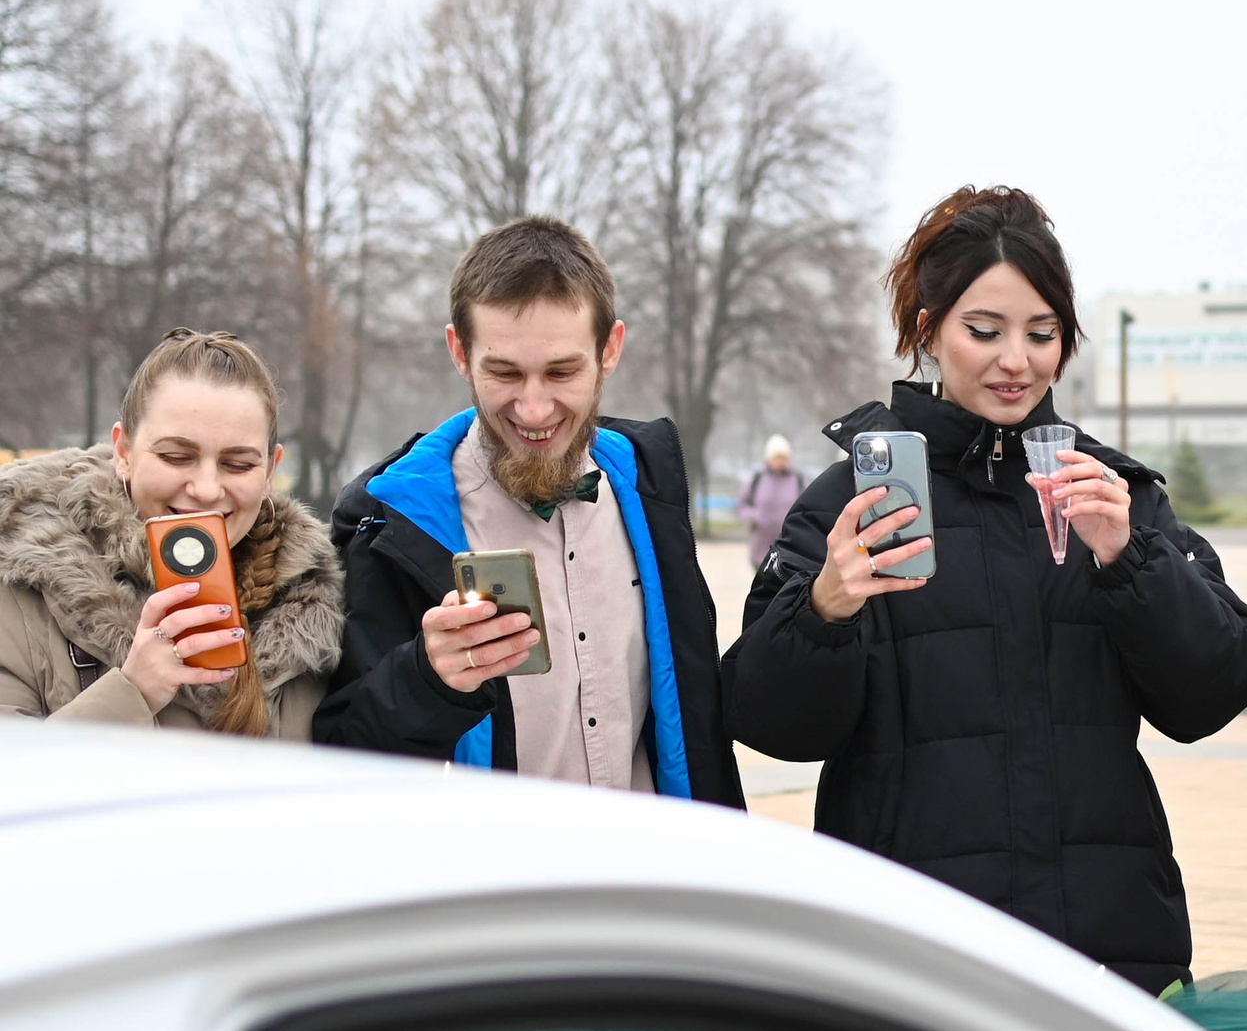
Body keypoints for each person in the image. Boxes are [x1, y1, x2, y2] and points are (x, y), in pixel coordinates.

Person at [721, 186, 1247, 994]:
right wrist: (827, 607)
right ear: (926, 330)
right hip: (909, 958)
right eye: (984, 331)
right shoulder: (850, 503)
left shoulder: (1113, 493)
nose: (1017, 360)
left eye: (1042, 334)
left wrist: (1131, 560)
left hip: (1107, 951)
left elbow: (1214, 689)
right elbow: (769, 721)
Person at [317, 216, 744, 807]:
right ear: (460, 353)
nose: (536, 407)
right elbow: (336, 760)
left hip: (649, 879)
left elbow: (694, 723)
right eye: (505, 372)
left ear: (610, 349)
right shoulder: (390, 524)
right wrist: (425, 678)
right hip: (498, 891)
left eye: (562, 372)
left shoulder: (653, 488)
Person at [0, 329, 340, 736]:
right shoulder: (21, 589)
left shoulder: (326, 610)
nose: (207, 488)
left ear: (271, 470)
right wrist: (132, 693)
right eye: (176, 457)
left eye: (238, 464)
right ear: (123, 453)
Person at [738, 434, 804, 568]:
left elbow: (807, 507)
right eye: (777, 457)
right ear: (769, 458)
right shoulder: (757, 480)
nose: (780, 461)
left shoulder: (798, 480)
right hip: (761, 547)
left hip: (789, 546)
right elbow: (742, 504)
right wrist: (753, 517)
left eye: (783, 457)